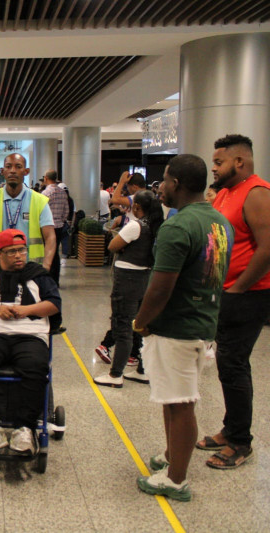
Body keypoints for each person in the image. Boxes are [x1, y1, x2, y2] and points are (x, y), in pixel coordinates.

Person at [132, 154, 233, 501]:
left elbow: (160, 287)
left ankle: (176, 479)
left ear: (176, 183)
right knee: (174, 400)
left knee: (181, 403)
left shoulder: (177, 226)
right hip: (203, 324)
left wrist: (141, 322)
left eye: (163, 179)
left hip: (176, 328)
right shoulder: (220, 222)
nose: (159, 186)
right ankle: (173, 455)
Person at [200, 134, 270, 469]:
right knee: (227, 365)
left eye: (218, 162)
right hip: (223, 292)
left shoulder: (257, 193)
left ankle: (241, 442)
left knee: (234, 364)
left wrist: (238, 288)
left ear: (238, 162)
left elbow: (267, 249)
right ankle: (231, 429)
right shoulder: (226, 193)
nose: (213, 169)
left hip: (247, 296)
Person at [0, 229, 61, 455]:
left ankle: (24, 428)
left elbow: (54, 304)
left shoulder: (39, 276)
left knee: (36, 367)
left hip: (30, 334)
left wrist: (26, 310)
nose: (19, 256)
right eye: (12, 252)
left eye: (22, 250)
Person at [93, 191, 165, 387]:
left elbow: (113, 246)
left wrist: (123, 246)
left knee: (122, 326)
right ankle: (143, 370)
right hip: (145, 279)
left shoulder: (135, 226)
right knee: (140, 327)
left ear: (136, 207)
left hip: (127, 281)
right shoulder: (157, 226)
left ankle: (116, 375)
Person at [0, 153, 55, 272]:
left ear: (26, 171)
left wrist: (47, 265)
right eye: (8, 167)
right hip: (0, 267)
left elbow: (50, 236)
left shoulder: (39, 200)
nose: (13, 171)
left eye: (18, 167)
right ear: (2, 171)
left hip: (31, 268)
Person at [42, 170, 69, 286]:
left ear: (46, 178)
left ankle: (46, 280)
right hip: (59, 227)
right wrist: (61, 220)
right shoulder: (63, 193)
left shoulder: (45, 193)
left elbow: (40, 211)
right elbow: (66, 211)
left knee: (47, 252)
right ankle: (55, 280)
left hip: (47, 228)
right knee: (55, 252)